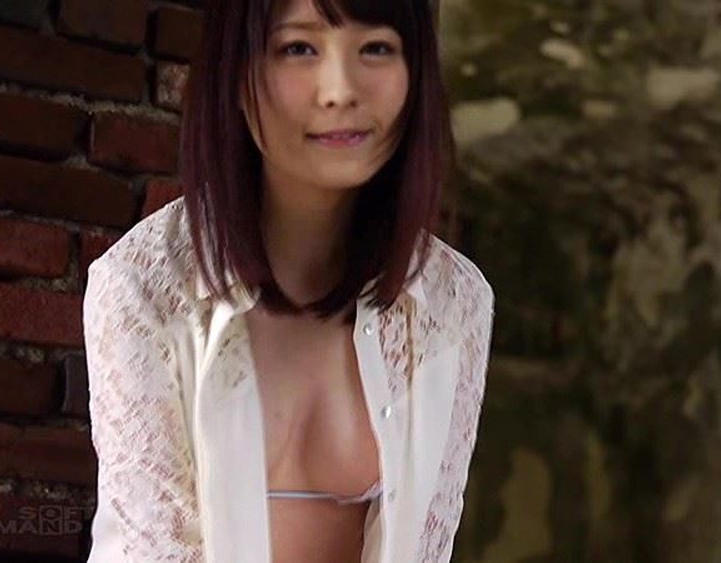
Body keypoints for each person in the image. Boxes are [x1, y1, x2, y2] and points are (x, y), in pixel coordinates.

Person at [82, 0, 494, 561]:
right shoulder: (143, 289)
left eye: (376, 48)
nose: (340, 90)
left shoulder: (453, 302)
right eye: (299, 48)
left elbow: (426, 548)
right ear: (237, 72)